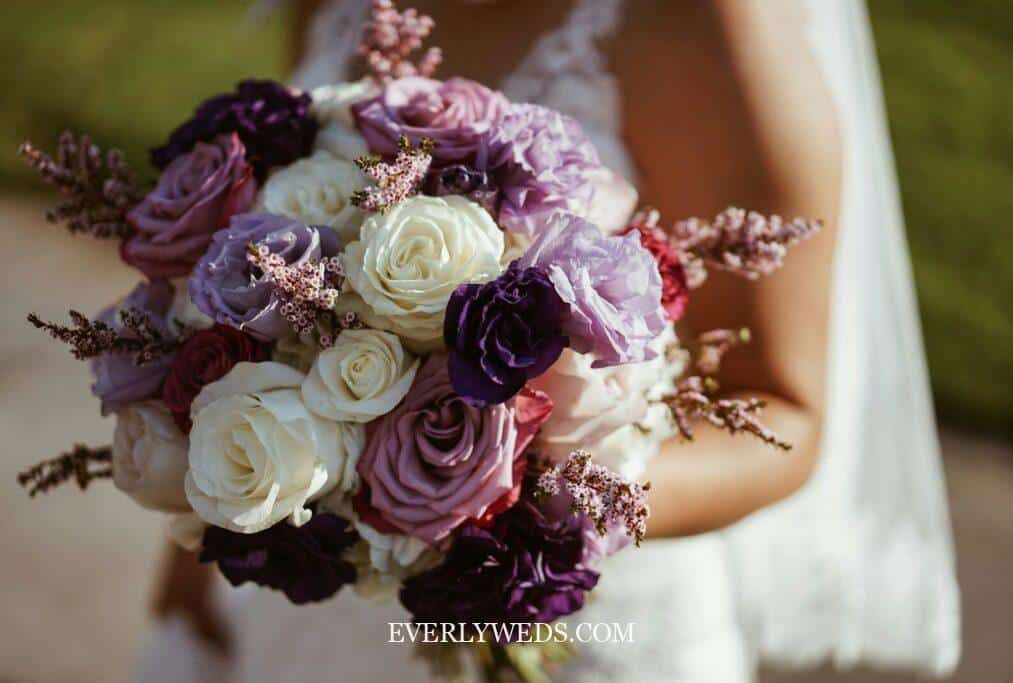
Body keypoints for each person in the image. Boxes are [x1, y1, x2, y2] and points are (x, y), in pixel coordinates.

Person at [141, 1, 960, 680]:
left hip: (588, 623)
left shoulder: (703, 23)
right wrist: (213, 518)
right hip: (318, 618)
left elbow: (787, 415)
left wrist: (510, 505)